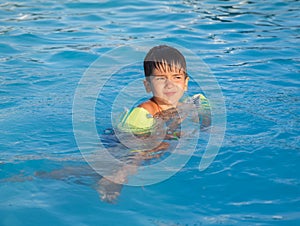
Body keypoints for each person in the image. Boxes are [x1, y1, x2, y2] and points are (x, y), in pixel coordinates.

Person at [98, 45, 211, 203]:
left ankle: (53, 176)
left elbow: (206, 121)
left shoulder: (190, 103)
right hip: (124, 139)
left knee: (89, 171)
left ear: (186, 83)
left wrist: (206, 126)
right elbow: (136, 144)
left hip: (147, 135)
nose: (169, 84)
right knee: (140, 155)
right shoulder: (144, 112)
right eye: (161, 78)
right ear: (148, 85)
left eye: (176, 77)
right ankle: (118, 177)